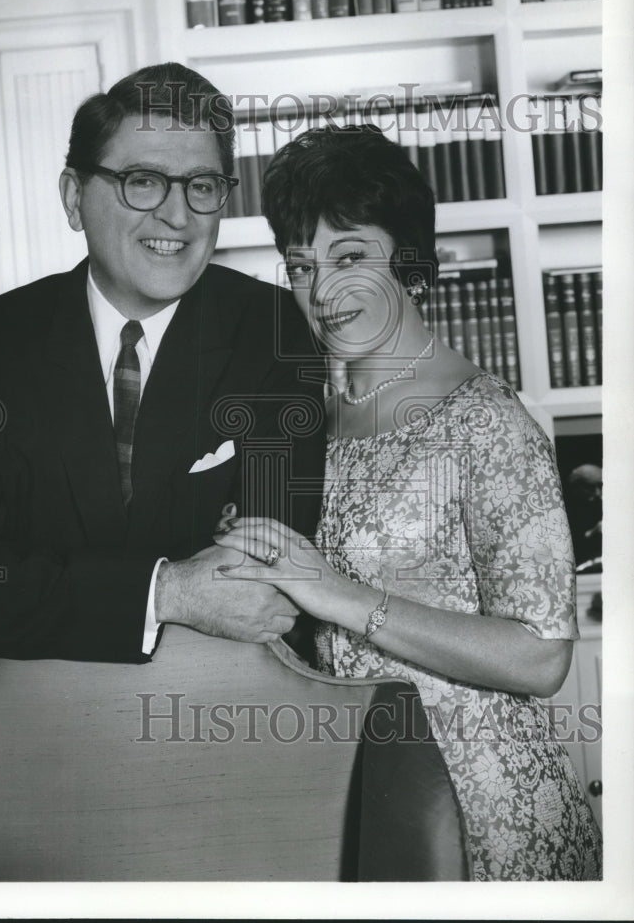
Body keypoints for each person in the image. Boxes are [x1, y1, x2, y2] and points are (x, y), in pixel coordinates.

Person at [213, 124, 603, 881]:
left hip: (482, 809)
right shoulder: (306, 414)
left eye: (350, 256)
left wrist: (337, 592)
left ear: (411, 263)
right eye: (301, 266)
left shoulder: (482, 418)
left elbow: (539, 654)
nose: (323, 292)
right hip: (353, 792)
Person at [0, 62, 326, 663]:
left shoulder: (277, 330)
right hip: (34, 728)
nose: (178, 217)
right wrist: (168, 591)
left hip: (223, 712)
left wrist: (47, 586)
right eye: (143, 180)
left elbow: (267, 589)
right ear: (74, 198)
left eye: (202, 186)